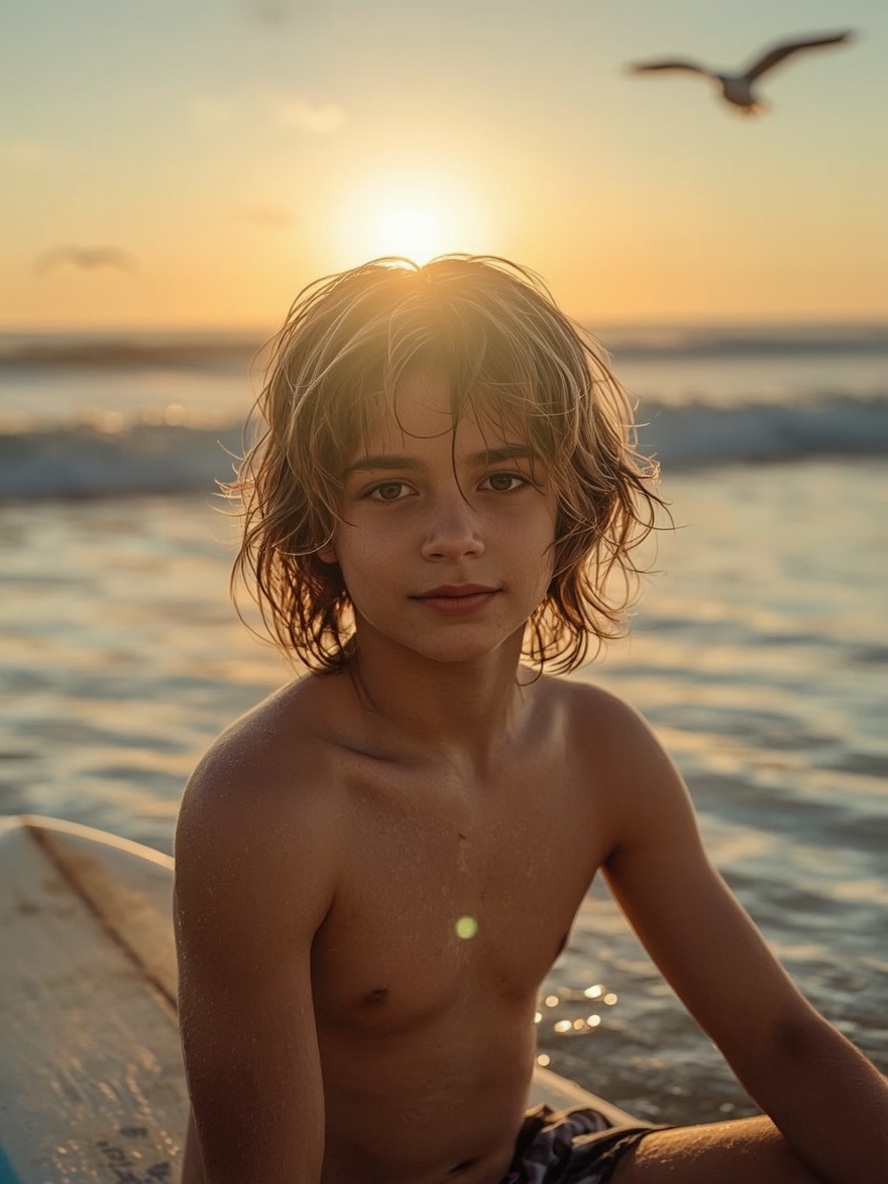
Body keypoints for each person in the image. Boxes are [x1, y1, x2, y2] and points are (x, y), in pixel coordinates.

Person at [173, 255, 888, 1184]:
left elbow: (784, 1041)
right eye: (390, 489)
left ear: (572, 506)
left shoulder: (599, 751)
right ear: (320, 526)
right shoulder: (269, 805)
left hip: (528, 1165)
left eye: (504, 480)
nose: (455, 534)